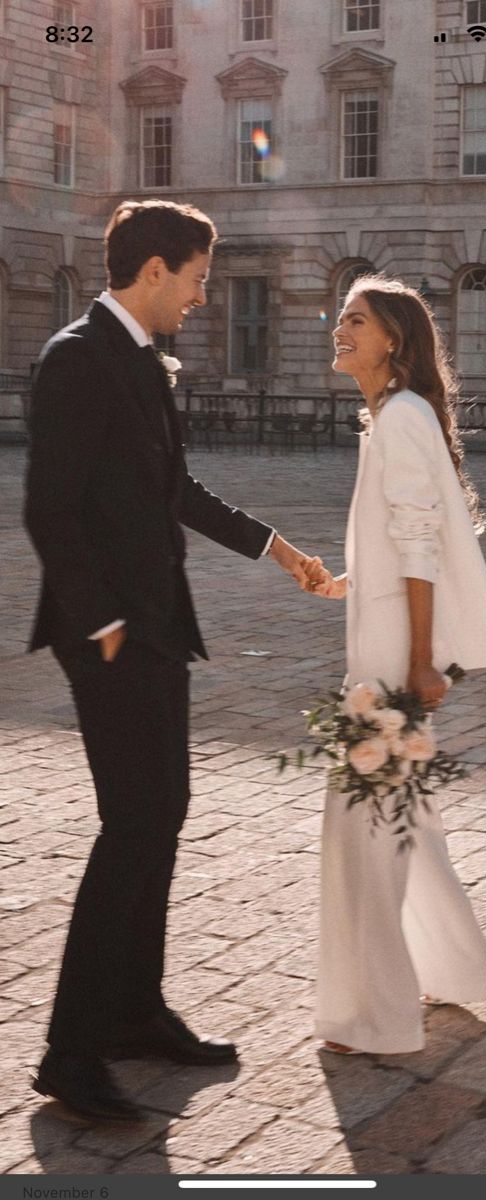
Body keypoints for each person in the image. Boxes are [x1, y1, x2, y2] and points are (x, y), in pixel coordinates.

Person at [25, 199, 325, 1121]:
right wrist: (105, 623)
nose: (200, 298)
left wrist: (274, 547)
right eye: (197, 279)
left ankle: (136, 1012)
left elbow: (173, 488)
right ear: (154, 269)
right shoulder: (75, 358)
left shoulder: (140, 361)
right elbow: (52, 511)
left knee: (163, 816)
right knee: (133, 827)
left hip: (158, 626)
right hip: (111, 636)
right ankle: (71, 1054)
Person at [312, 274, 486, 1055]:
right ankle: (451, 967)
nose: (338, 328)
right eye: (339, 315)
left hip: (389, 656)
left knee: (361, 832)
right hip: (381, 635)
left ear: (392, 342)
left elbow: (420, 544)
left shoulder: (400, 418)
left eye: (355, 319)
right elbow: (402, 539)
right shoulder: (392, 419)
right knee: (404, 821)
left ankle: (373, 1014)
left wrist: (416, 665)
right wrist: (346, 579)